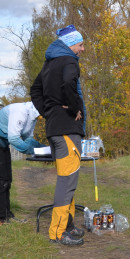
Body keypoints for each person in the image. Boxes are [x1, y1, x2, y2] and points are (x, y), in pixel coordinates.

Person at [30, 25, 87, 246]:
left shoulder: (49, 63)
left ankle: (68, 225)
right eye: (80, 45)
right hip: (67, 130)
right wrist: (74, 108)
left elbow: (35, 90)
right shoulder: (69, 61)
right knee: (67, 181)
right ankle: (58, 232)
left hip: (54, 128)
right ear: (71, 44)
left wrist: (48, 111)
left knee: (68, 180)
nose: (82, 49)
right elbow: (69, 82)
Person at [0, 101, 45, 223]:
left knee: (7, 179)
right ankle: (3, 218)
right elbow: (14, 138)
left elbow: (28, 139)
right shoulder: (21, 111)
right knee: (0, 181)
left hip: (2, 143)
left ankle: (7, 215)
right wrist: (33, 150)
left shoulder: (33, 116)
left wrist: (45, 149)